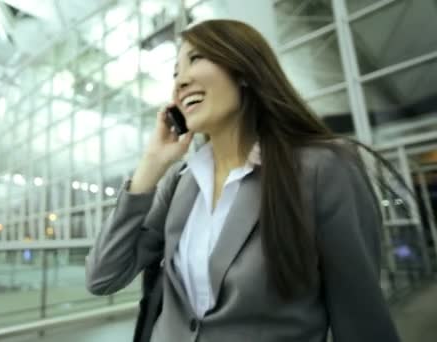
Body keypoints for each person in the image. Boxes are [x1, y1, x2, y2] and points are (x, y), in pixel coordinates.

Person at [85, 19, 401, 342]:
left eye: (196, 59)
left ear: (245, 70)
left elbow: (363, 321)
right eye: (175, 73)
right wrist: (151, 165)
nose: (180, 82)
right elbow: (103, 276)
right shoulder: (182, 183)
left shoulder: (322, 169)